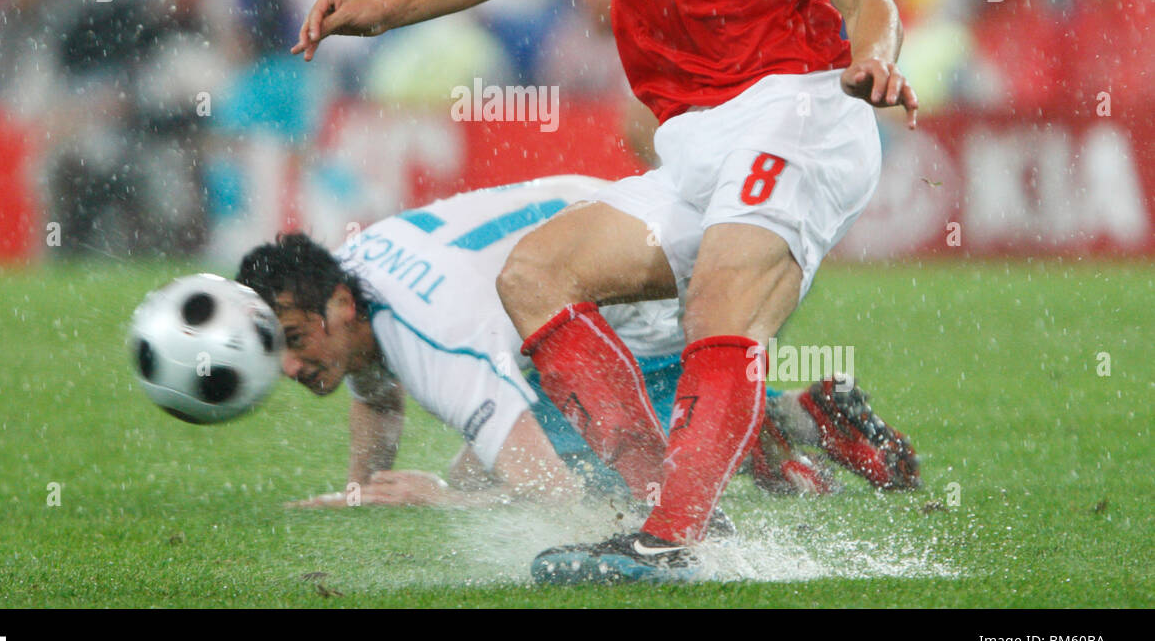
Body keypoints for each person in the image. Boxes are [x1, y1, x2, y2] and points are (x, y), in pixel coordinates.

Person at [292, 0, 918, 582]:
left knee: (719, 296)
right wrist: (382, 8)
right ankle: (645, 505)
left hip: (797, 110)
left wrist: (874, 60)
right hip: (694, 141)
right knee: (534, 273)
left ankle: (671, 539)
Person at [236, 176, 919, 510]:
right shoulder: (353, 280)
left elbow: (554, 498)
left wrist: (436, 497)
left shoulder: (430, 335)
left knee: (600, 484)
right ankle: (787, 421)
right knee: (489, 465)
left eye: (293, 341)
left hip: (637, 290)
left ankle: (785, 422)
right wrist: (363, 491)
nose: (289, 365)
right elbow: (377, 392)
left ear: (339, 306)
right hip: (608, 251)